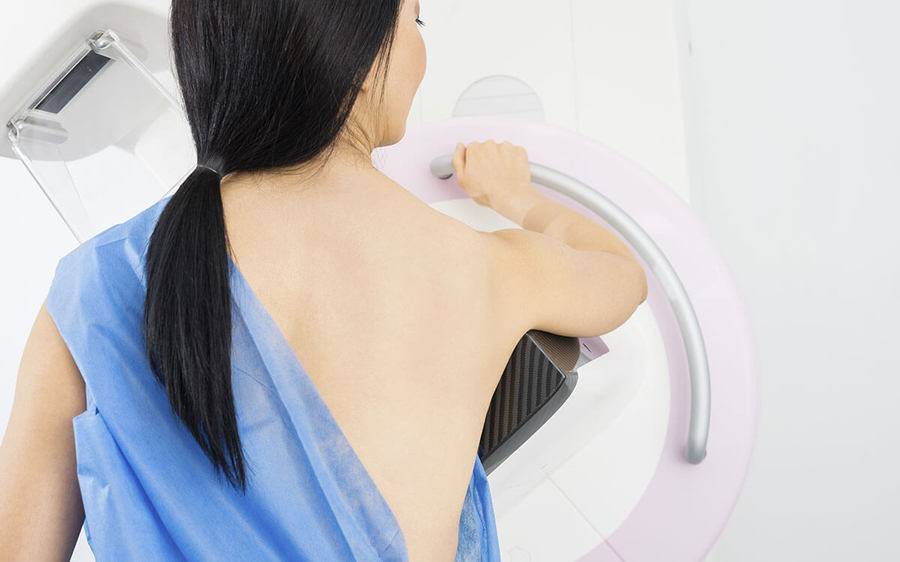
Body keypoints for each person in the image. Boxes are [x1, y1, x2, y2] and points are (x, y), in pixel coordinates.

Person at [0, 0, 648, 560]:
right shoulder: (478, 267)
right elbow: (621, 276)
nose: (422, 47)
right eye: (415, 19)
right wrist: (515, 196)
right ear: (359, 57)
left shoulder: (93, 285)